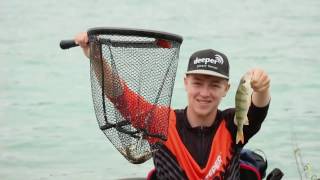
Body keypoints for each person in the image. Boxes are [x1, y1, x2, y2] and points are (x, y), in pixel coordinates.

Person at [75, 32, 271, 180]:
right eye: (197, 83)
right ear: (186, 82)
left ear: (226, 89)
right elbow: (120, 96)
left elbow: (257, 110)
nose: (204, 93)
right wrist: (96, 58)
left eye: (214, 85)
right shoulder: (160, 123)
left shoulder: (232, 126)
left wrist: (262, 89)